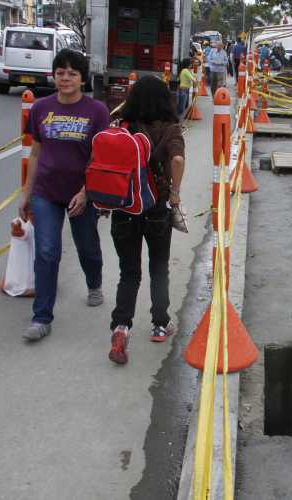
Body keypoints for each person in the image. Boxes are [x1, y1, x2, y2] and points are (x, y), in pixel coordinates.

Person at [19, 49, 110, 341]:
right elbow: (35, 153)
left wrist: (86, 192)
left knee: (88, 248)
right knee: (47, 252)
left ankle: (94, 282)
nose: (66, 78)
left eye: (72, 73)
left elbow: (100, 159)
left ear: (82, 79)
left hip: (82, 194)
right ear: (54, 75)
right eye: (61, 72)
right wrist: (26, 193)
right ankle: (41, 317)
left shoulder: (97, 111)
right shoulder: (41, 108)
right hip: (46, 192)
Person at [107, 75, 186, 364]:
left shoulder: (122, 127)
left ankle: (121, 326)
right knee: (158, 269)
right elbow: (176, 161)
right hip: (157, 210)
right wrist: (174, 193)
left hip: (125, 209)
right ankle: (159, 325)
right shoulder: (170, 129)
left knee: (129, 272)